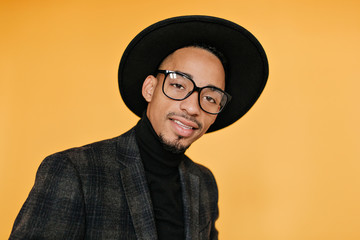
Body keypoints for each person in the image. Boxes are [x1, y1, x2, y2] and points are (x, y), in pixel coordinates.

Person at [9, 15, 268, 240]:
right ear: (150, 88)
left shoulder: (204, 183)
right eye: (179, 85)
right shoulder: (75, 171)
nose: (192, 107)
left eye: (210, 97)